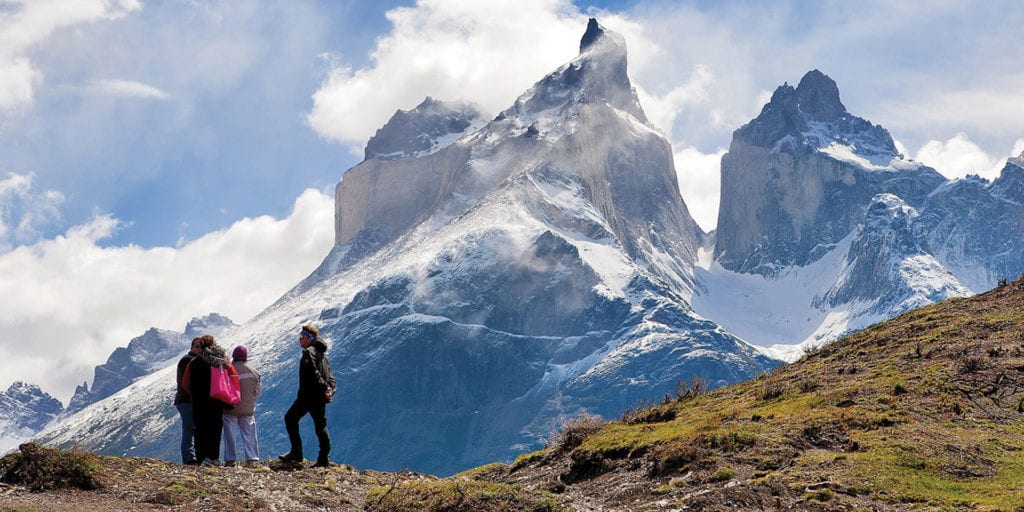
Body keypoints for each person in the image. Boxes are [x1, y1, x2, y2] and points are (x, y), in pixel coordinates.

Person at [280, 325, 336, 468]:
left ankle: (296, 453)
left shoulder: (308, 352)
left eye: (301, 337)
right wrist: (330, 390)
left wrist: (324, 388)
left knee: (290, 418)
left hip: (308, 396)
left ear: (308, 338)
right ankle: (324, 459)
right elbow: (331, 377)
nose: (299, 340)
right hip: (320, 398)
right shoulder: (323, 355)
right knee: (321, 426)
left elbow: (313, 373)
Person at [186, 334, 231, 467]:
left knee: (200, 430)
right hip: (216, 400)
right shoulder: (219, 362)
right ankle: (214, 457)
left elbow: (186, 383)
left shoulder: (194, 362)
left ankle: (202, 458)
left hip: (199, 401)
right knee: (215, 429)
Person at [223, 345, 261, 466]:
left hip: (231, 408)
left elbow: (224, 389)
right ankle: (252, 458)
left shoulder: (229, 370)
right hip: (247, 409)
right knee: (249, 434)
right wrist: (249, 400)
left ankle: (230, 459)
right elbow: (257, 391)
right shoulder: (254, 372)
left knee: (230, 435)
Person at [174, 337, 202, 465]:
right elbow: (187, 382)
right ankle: (188, 457)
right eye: (196, 346)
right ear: (191, 347)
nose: (198, 349)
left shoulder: (190, 360)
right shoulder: (188, 360)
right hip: (186, 400)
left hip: (187, 400)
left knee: (192, 428)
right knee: (189, 428)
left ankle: (192, 455)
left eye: (200, 347)